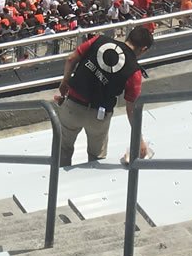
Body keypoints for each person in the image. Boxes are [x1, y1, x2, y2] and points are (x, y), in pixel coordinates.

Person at [54, 25, 153, 168]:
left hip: (73, 106)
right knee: (96, 158)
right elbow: (132, 110)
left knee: (62, 150)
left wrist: (64, 83)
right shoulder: (134, 72)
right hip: (99, 116)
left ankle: (58, 183)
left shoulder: (99, 40)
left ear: (128, 36)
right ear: (143, 49)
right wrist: (139, 139)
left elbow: (71, 59)